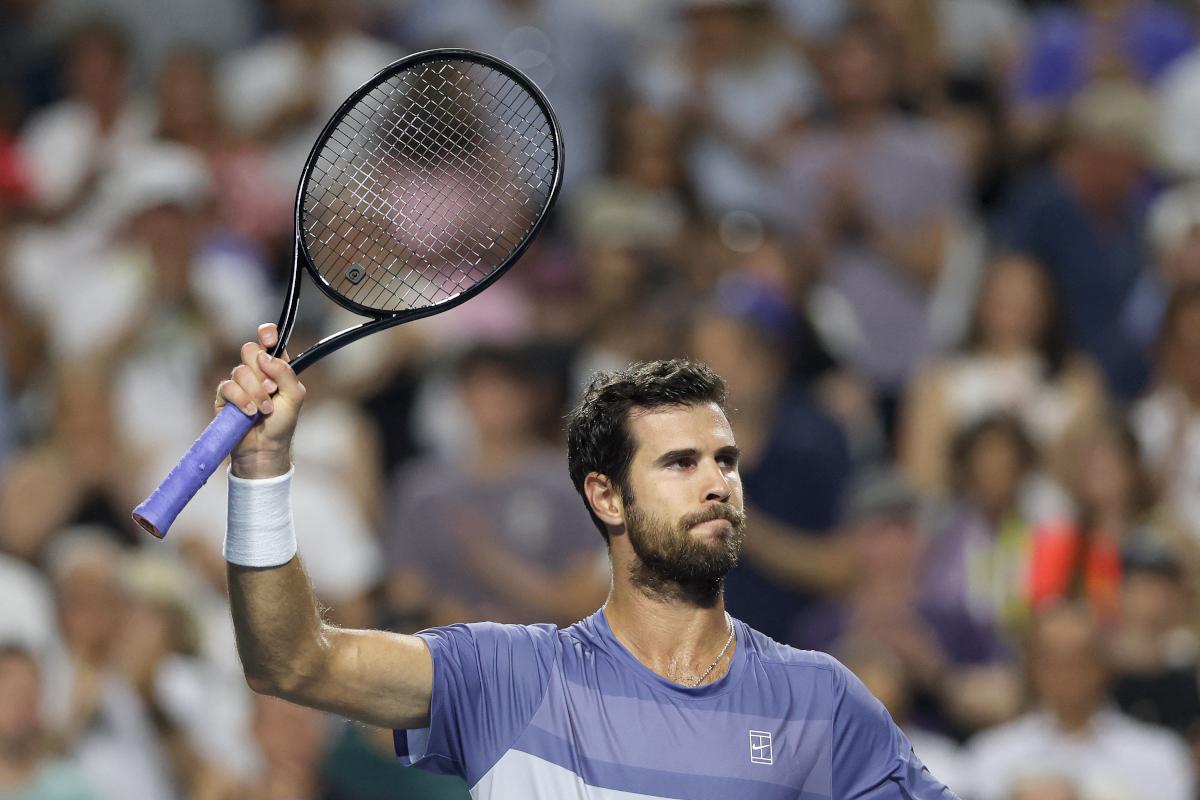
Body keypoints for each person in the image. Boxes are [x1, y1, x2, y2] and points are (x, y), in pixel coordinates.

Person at [214, 322, 956, 798]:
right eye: (680, 463)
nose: (716, 483)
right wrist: (261, 469)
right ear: (606, 497)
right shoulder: (505, 675)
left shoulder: (818, 697)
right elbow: (292, 662)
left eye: (725, 461)